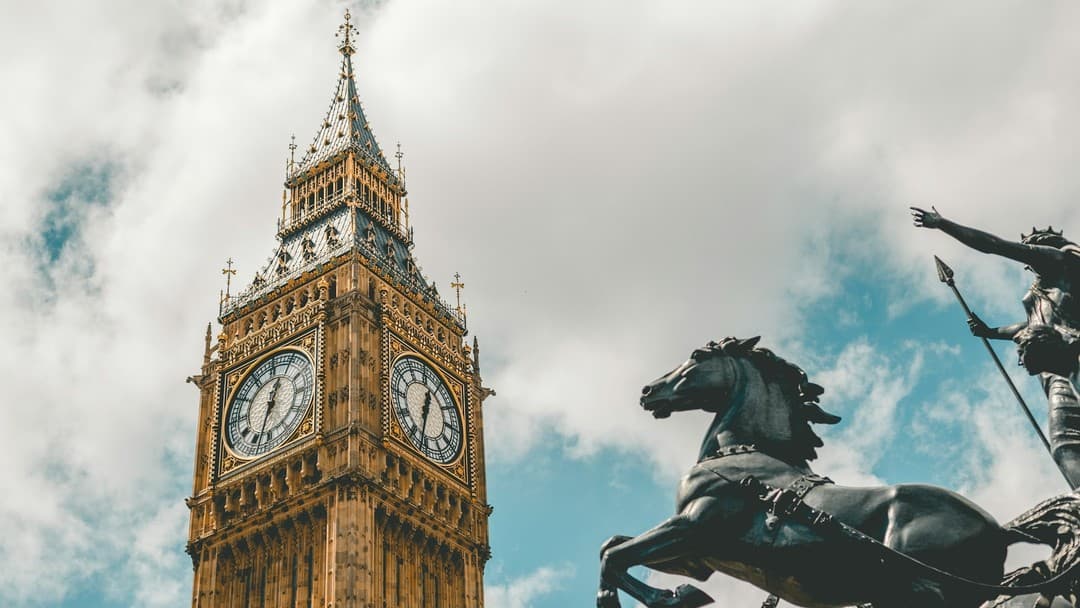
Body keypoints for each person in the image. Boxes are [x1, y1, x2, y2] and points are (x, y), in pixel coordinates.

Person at [911, 206, 1080, 486]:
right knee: (1065, 446)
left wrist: (942, 224)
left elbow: (993, 245)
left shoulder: (1058, 262)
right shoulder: (1043, 291)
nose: (1028, 255)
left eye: (1031, 247)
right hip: (1054, 374)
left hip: (1073, 355)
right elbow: (1030, 325)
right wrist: (990, 331)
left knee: (1067, 443)